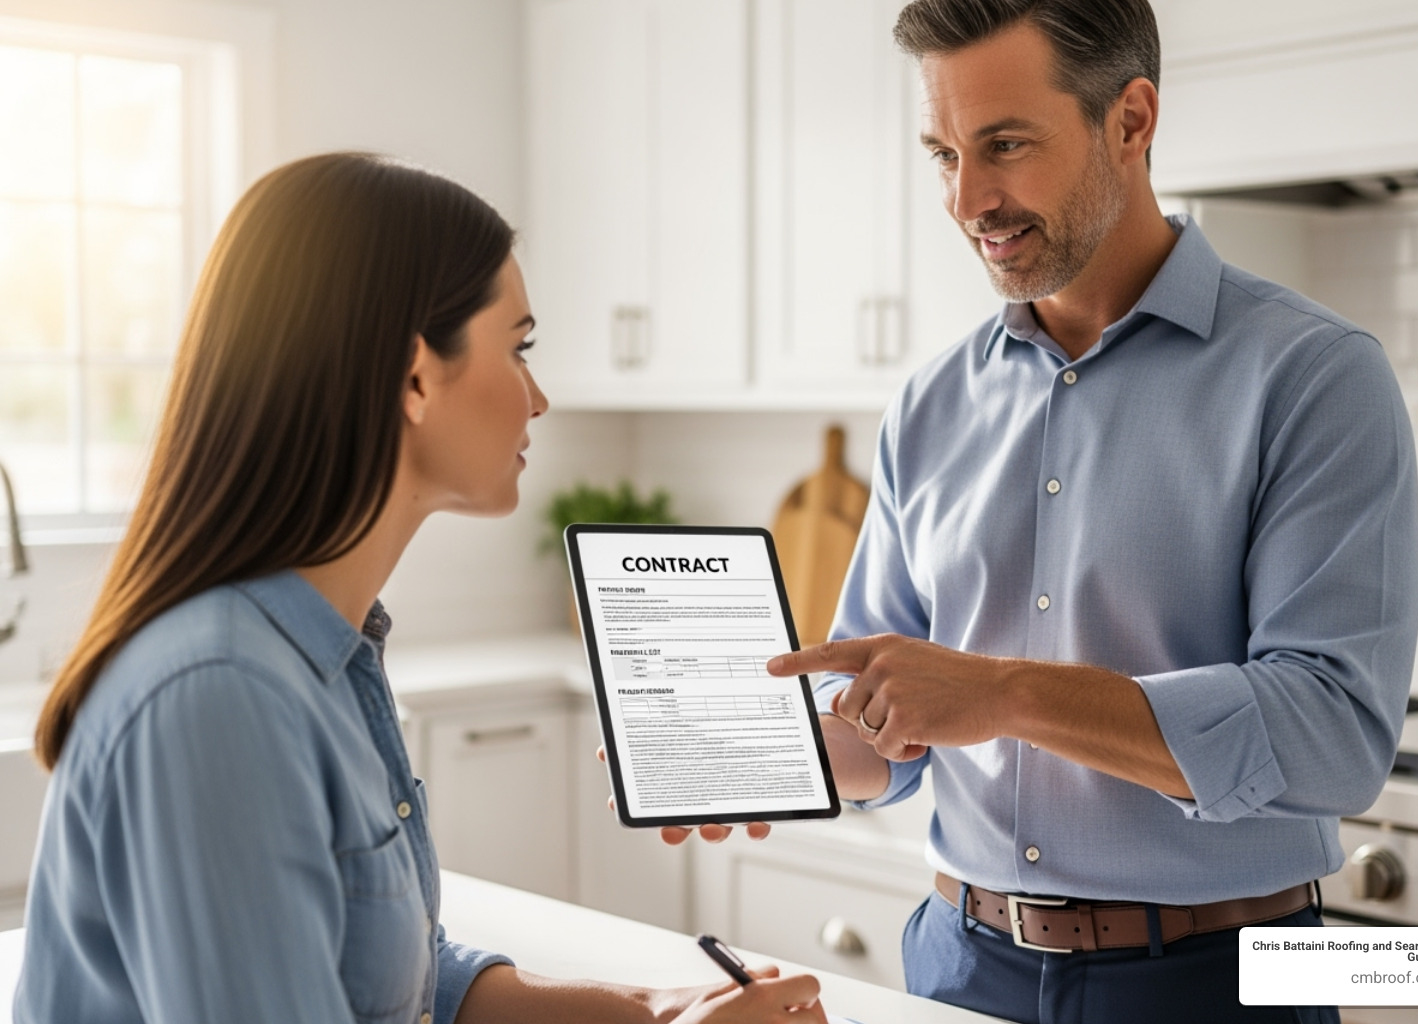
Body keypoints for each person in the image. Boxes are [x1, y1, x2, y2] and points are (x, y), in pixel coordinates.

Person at [685, 2, 1418, 1022]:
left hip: (1220, 983)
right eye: (942, 153)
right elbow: (886, 727)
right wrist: (746, 759)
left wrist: (1006, 693)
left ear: (1131, 120)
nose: (967, 198)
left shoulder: (1312, 378)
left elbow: (1334, 733)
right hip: (959, 965)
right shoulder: (930, 404)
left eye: (1006, 145)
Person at [15, 152, 827, 1024]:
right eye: (518, 350)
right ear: (413, 375)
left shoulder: (327, 651)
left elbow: (402, 980)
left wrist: (659, 1012)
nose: (539, 397)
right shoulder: (217, 696)